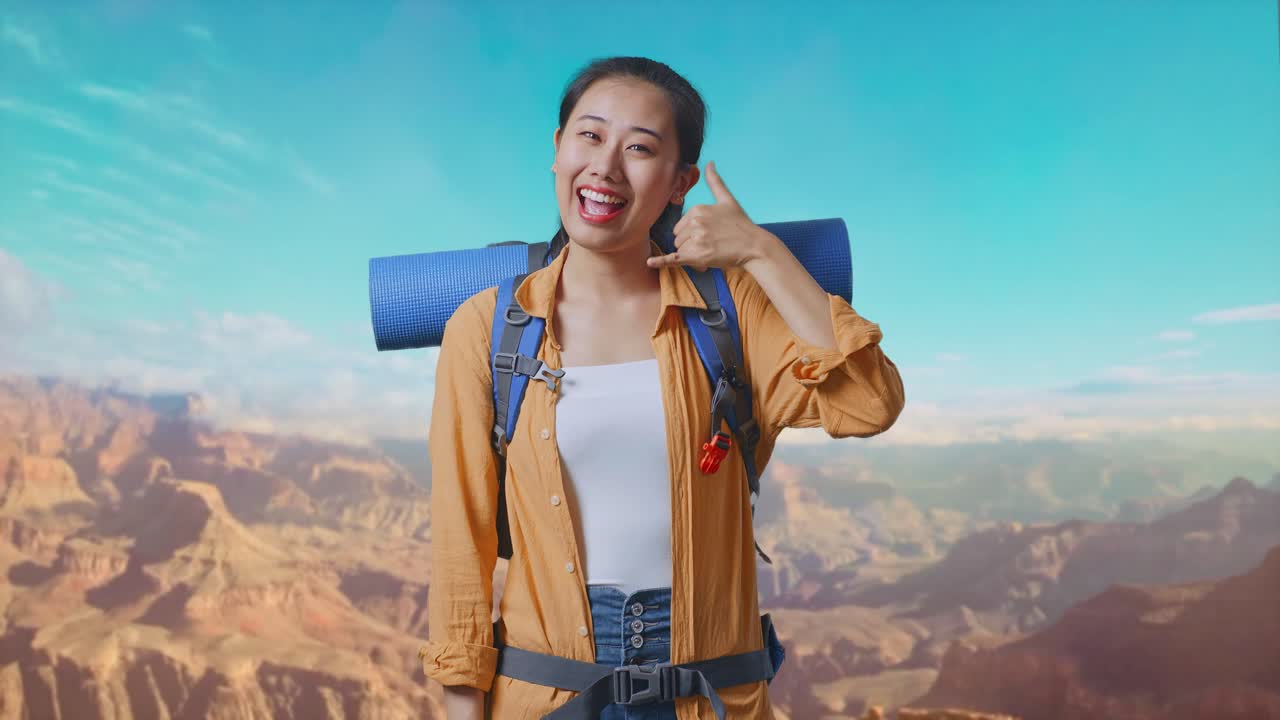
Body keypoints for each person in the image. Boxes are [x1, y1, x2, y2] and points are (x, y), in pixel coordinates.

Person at [420, 56, 906, 719]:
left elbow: (869, 404)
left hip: (711, 695)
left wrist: (761, 252)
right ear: (557, 152)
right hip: (547, 695)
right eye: (588, 136)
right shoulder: (487, 329)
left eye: (640, 148)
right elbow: (461, 541)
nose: (607, 167)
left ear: (680, 183)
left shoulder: (729, 310)